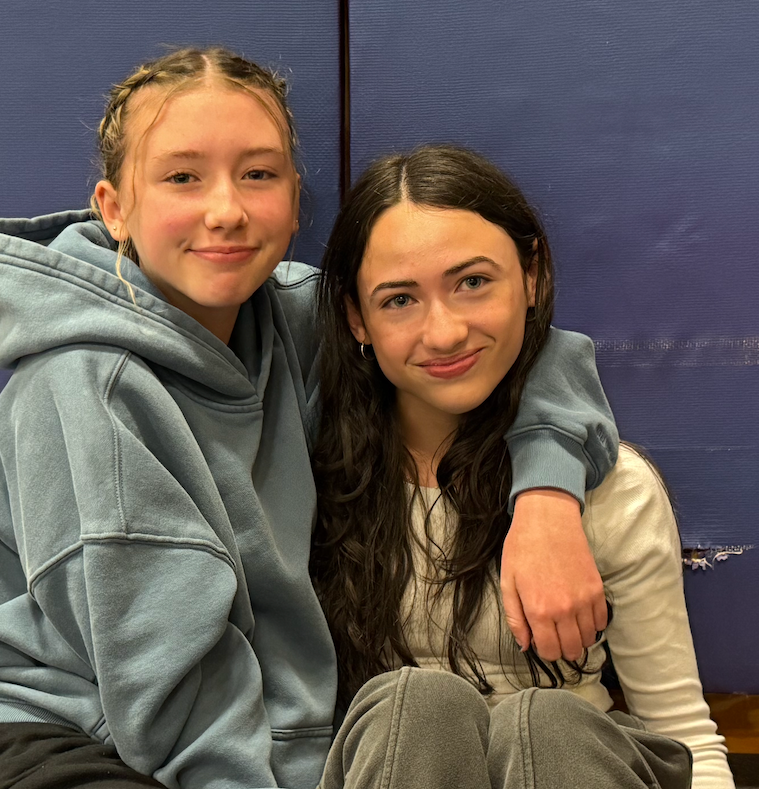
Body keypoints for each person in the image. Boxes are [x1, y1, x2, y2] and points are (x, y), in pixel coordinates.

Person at [0, 50, 619, 789]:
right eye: (183, 177)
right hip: (61, 739)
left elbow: (525, 351)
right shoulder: (91, 385)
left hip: (246, 728)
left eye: (258, 174)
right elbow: (170, 692)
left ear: (293, 199)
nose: (226, 209)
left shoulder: (289, 316)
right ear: (114, 207)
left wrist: (545, 497)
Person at [309, 144, 734, 789]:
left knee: (548, 726)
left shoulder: (615, 491)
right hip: (391, 763)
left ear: (530, 277)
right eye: (399, 299)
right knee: (416, 708)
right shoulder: (309, 474)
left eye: (473, 282)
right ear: (354, 318)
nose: (446, 332)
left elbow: (682, 729)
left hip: (574, 764)